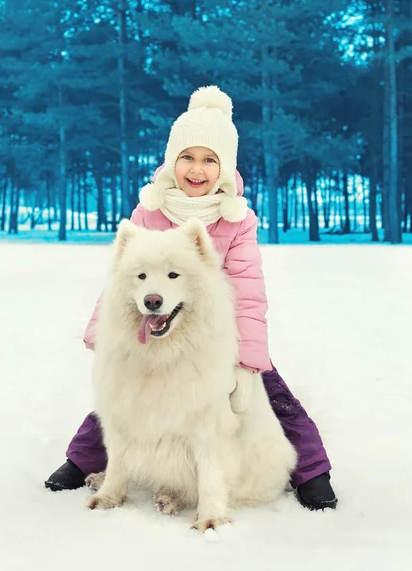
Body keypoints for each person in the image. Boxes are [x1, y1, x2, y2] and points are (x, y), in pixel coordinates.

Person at [45, 86, 337, 511]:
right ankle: (81, 460)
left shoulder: (237, 219)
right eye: (187, 157)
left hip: (220, 335)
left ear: (223, 168)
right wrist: (103, 335)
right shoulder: (150, 211)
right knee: (120, 395)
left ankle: (312, 471)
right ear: (171, 161)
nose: (196, 169)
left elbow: (249, 292)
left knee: (274, 400)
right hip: (154, 331)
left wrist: (247, 360)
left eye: (209, 160)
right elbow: (124, 282)